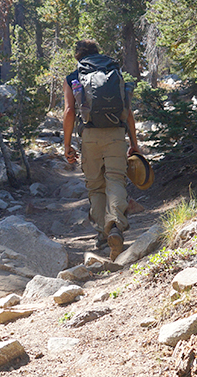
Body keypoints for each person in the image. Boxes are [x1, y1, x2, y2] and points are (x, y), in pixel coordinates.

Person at [62, 39, 140, 260]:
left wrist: (67, 145)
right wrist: (134, 143)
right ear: (97, 52)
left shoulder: (73, 76)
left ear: (78, 55)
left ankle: (102, 235)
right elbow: (128, 110)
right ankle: (115, 225)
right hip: (116, 132)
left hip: (90, 135)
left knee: (96, 186)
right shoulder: (114, 71)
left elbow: (69, 111)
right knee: (115, 179)